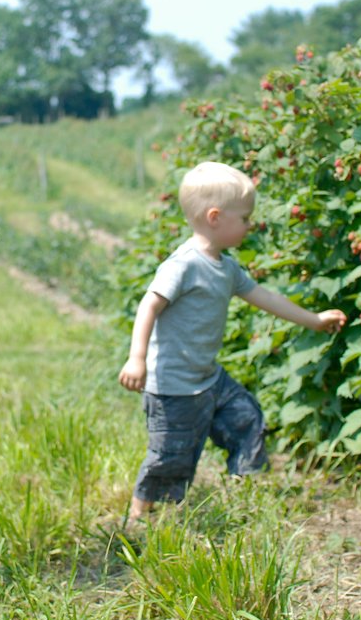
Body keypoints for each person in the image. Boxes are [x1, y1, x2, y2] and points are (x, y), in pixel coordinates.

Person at [117, 161, 347, 524]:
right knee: (171, 458)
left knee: (247, 419)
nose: (249, 225)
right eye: (244, 218)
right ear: (215, 217)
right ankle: (139, 517)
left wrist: (314, 321)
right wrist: (136, 358)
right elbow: (149, 305)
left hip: (209, 380)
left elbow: (267, 298)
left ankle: (244, 490)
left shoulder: (227, 268)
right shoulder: (184, 265)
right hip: (173, 389)